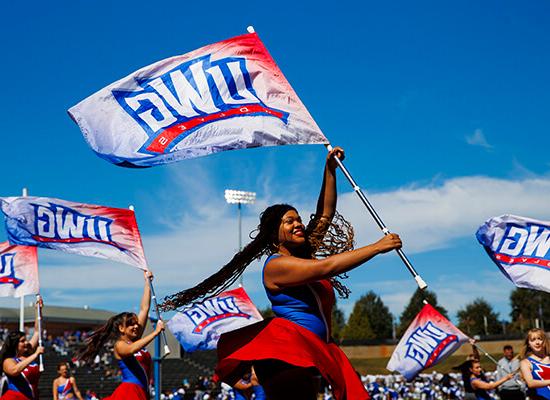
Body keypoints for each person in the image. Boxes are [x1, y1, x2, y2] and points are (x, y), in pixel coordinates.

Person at [161, 147, 402, 400]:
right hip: (285, 355)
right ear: (274, 233)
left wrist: (329, 170)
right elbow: (326, 267)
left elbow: (325, 214)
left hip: (313, 352)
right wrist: (376, 247)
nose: (298, 224)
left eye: (298, 219)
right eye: (290, 221)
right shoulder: (276, 266)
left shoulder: (302, 255)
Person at [78, 271, 165, 400]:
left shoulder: (136, 339)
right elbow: (132, 349)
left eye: (136, 323)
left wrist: (147, 282)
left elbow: (144, 308)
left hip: (141, 391)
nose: (136, 326)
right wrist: (155, 332)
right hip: (129, 392)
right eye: (131, 324)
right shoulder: (119, 345)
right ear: (121, 328)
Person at [0, 302, 44, 400]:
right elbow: (14, 370)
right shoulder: (8, 360)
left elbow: (38, 332)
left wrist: (38, 310)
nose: (26, 342)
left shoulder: (28, 351)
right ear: (15, 344)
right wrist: (35, 354)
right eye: (22, 341)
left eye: (26, 340)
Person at [519, 328, 550, 400]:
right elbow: (531, 383)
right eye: (533, 340)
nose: (537, 342)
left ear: (544, 341)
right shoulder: (526, 363)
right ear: (529, 344)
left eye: (539, 339)